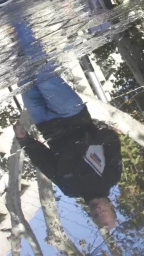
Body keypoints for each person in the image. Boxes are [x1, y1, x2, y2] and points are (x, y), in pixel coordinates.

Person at [14, 76, 122, 232]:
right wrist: (89, 139)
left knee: (23, 76)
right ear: (111, 206)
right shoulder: (111, 177)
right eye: (103, 212)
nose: (97, 210)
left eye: (95, 215)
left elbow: (45, 162)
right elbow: (112, 138)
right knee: (43, 74)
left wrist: (24, 140)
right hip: (72, 113)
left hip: (45, 124)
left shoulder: (69, 189)